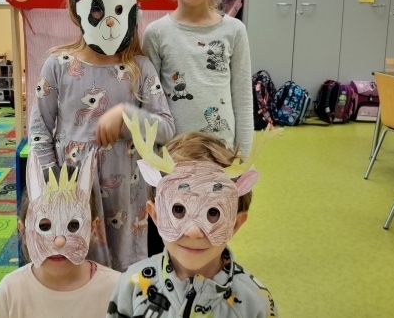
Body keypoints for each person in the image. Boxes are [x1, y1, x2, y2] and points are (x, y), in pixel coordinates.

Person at [28, 0, 175, 271]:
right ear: (77, 11)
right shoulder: (58, 65)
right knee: (76, 261)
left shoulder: (140, 68)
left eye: (119, 10)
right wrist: (53, 186)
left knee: (124, 270)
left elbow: (166, 128)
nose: (109, 21)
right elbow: (39, 131)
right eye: (97, 10)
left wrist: (127, 116)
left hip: (127, 196)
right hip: (74, 188)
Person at [106, 113, 280, 318]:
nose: (194, 231)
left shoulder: (255, 302)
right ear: (155, 215)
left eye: (213, 212)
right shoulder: (131, 285)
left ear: (235, 224)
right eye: (178, 210)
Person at [142, 0, 253, 156]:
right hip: (173, 155)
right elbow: (150, 104)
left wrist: (243, 160)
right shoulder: (156, 33)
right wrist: (152, 160)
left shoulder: (234, 31)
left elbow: (243, 102)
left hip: (221, 154)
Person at [0, 151, 120, 318]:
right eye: (44, 226)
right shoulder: (10, 290)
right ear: (23, 232)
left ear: (92, 229)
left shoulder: (117, 288)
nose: (59, 241)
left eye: (73, 225)